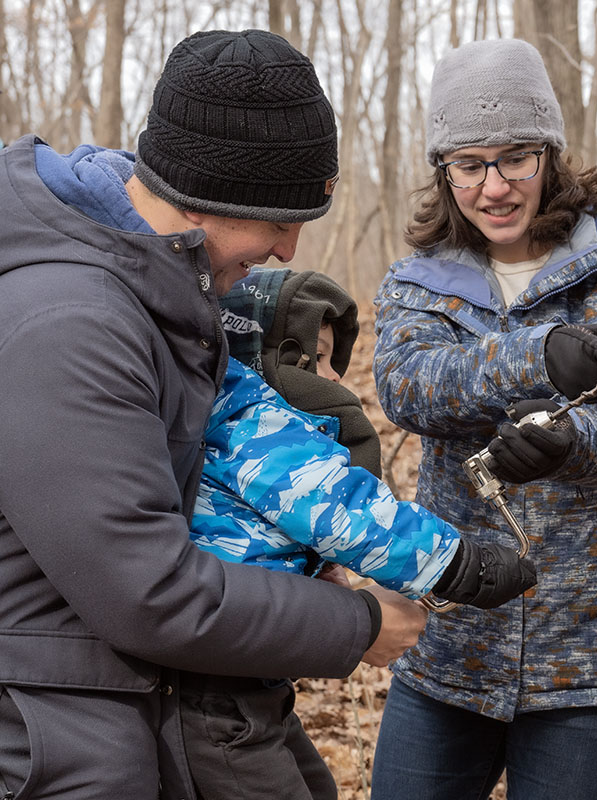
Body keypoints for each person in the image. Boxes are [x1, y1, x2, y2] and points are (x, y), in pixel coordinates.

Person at [0, 29, 422, 800]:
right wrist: (354, 625)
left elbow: (189, 493)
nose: (291, 250)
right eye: (282, 218)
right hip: (60, 746)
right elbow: (149, 590)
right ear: (223, 195)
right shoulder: (72, 322)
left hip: (146, 712)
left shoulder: (160, 294)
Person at [369, 38, 597, 800]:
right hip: (449, 650)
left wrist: (569, 442)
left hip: (590, 665)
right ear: (444, 171)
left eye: (516, 157)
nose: (494, 186)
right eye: (469, 164)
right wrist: (540, 357)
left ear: (550, 155)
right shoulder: (419, 284)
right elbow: (408, 387)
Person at [181, 266, 536, 797]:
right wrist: (459, 565)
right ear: (264, 358)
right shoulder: (249, 425)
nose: (336, 379)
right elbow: (347, 512)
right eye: (316, 359)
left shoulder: (235, 415)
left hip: (251, 681)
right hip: (219, 694)